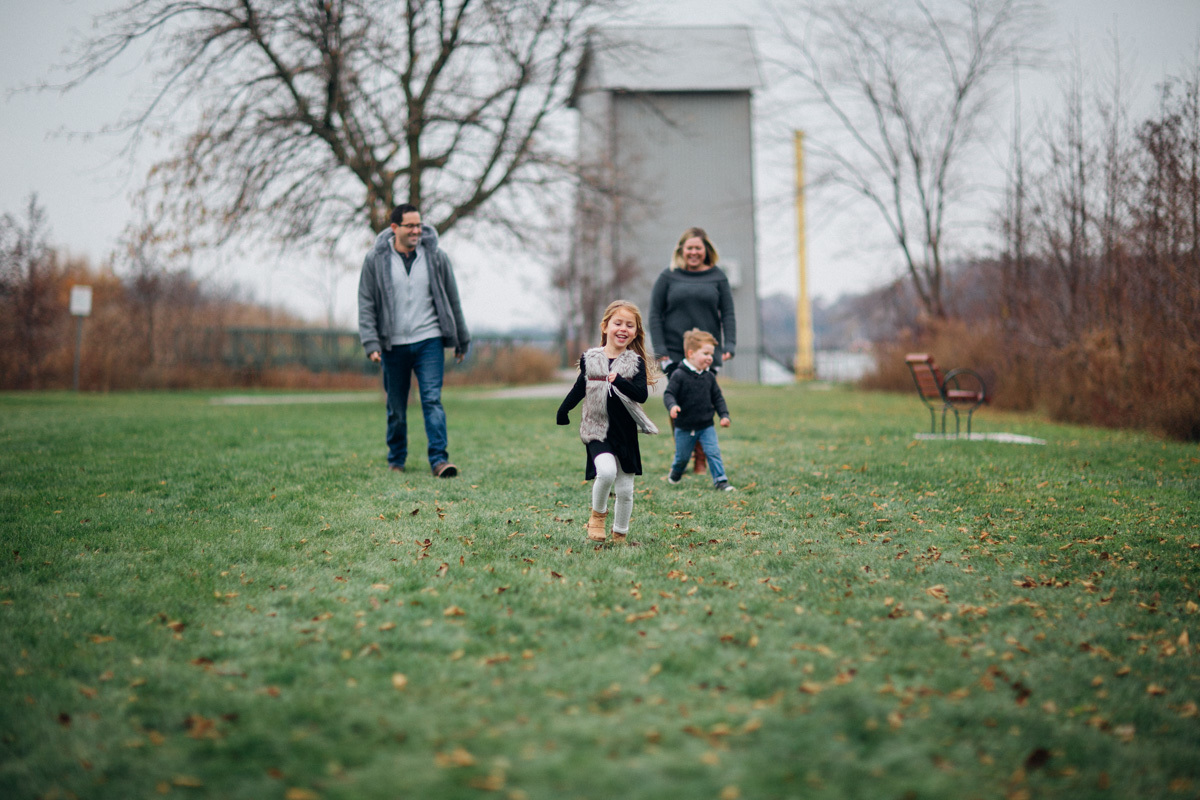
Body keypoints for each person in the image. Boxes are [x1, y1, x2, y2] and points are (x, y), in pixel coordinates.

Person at [358, 203, 469, 478]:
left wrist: (461, 339)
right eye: (410, 226)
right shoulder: (376, 259)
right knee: (396, 406)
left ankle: (439, 460)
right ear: (394, 227)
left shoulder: (436, 257)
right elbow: (366, 302)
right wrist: (371, 343)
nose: (417, 230)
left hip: (429, 339)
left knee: (432, 400)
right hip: (392, 344)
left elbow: (452, 299)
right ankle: (396, 459)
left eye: (419, 225)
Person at [556, 300, 661, 545]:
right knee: (605, 471)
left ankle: (620, 534)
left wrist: (619, 381)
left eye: (630, 325)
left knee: (625, 490)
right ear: (605, 326)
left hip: (624, 433)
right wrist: (564, 410)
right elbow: (580, 387)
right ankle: (597, 516)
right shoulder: (591, 358)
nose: (623, 329)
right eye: (618, 323)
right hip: (596, 429)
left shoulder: (635, 362)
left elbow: (641, 395)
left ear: (636, 332)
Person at [648, 226, 736, 474]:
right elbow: (655, 314)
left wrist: (729, 344)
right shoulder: (668, 276)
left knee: (703, 400)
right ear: (681, 250)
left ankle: (700, 458)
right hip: (675, 351)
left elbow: (728, 313)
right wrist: (660, 348)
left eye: (698, 248)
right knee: (677, 400)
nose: (694, 252)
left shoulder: (718, 276)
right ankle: (683, 453)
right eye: (689, 248)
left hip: (706, 351)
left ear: (706, 250)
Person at [663, 329, 734, 491]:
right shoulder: (679, 375)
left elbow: (718, 398)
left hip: (706, 426)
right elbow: (669, 394)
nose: (710, 358)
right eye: (706, 353)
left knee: (713, 452)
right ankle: (676, 471)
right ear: (691, 354)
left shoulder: (709, 377)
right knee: (682, 457)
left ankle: (721, 481)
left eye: (711, 354)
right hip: (684, 426)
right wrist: (672, 406)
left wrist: (724, 415)